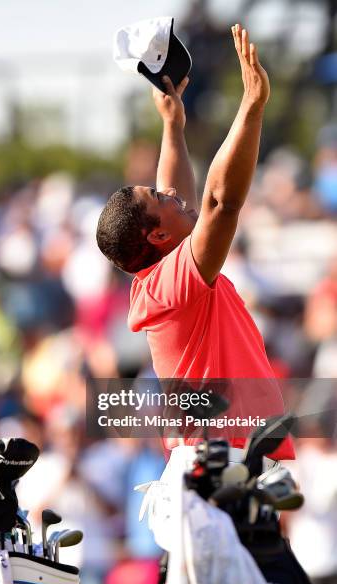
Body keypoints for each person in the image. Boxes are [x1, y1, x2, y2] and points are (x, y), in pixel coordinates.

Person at [97, 23, 293, 460]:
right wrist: (251, 108)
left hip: (224, 462)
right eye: (158, 198)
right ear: (159, 235)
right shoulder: (171, 285)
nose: (170, 193)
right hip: (217, 464)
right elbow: (221, 203)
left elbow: (174, 191)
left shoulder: (161, 275)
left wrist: (173, 125)